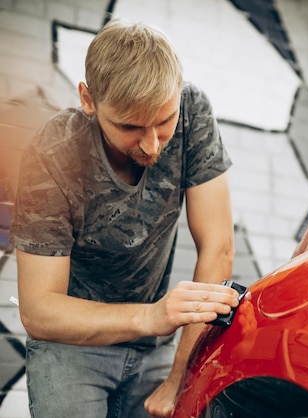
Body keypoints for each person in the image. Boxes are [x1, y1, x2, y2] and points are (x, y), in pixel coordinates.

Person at [9, 18, 239, 418]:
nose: (152, 145)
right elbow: (39, 310)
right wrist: (151, 316)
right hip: (71, 347)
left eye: (164, 121)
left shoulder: (192, 111)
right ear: (88, 99)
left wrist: (178, 377)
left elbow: (218, 248)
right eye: (130, 126)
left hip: (155, 349)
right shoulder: (52, 153)